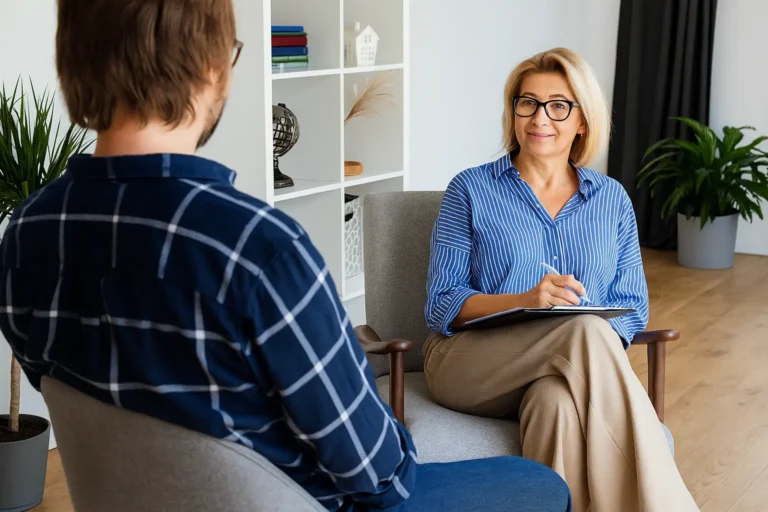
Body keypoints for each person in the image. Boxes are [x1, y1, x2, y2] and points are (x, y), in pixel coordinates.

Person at [0, 2, 572, 511]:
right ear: (211, 69)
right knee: (539, 486)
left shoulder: (26, 233)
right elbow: (381, 476)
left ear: (72, 60)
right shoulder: (258, 249)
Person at [424, 47, 699, 512]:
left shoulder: (611, 199)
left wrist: (583, 340)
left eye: (558, 105)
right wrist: (526, 299)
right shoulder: (470, 189)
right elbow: (440, 303)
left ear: (582, 121)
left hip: (563, 370)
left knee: (555, 402)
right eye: (527, 102)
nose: (539, 118)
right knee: (584, 330)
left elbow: (631, 307)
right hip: (466, 363)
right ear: (513, 111)